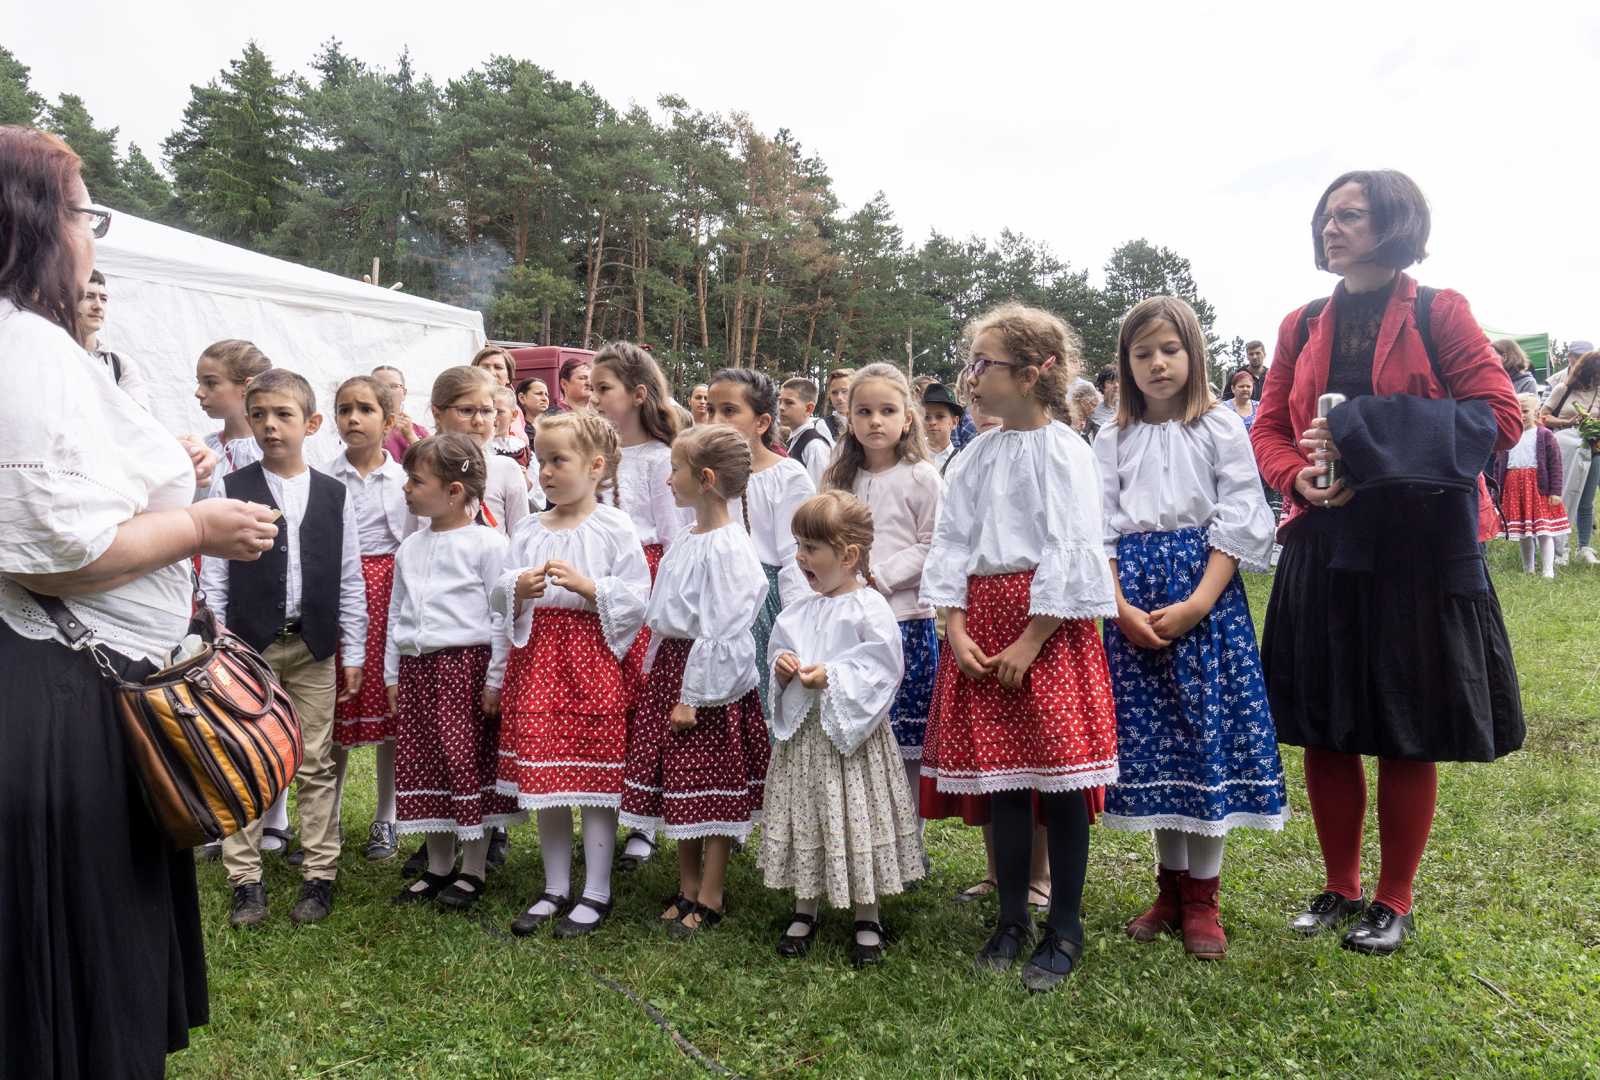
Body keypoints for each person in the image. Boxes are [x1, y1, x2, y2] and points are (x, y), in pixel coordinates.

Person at [0, 125, 275, 1077]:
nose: (92, 237)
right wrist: (201, 526)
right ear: (35, 221)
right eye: (84, 214)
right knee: (72, 975)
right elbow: (54, 550)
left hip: (69, 693)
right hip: (59, 705)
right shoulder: (25, 344)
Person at [1251, 169, 1524, 956]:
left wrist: (1366, 429)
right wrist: (1295, 476)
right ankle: (1339, 886)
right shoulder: (1300, 323)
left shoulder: (1441, 310)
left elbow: (1498, 415)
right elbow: (1269, 425)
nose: (1331, 228)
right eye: (1326, 216)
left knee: (1409, 724)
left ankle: (1393, 898)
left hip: (1416, 546)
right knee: (1328, 724)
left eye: (1352, 215)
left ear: (1394, 223)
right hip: (1324, 539)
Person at [919, 302, 1119, 992]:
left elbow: (1073, 546)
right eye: (969, 362)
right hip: (983, 622)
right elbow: (950, 542)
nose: (970, 377)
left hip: (1047, 627)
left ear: (1038, 371)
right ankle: (1010, 919)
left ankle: (1064, 923)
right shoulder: (975, 456)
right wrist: (955, 625)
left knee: (1058, 785)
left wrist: (1033, 638)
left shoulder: (1067, 450)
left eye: (985, 364)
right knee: (1004, 784)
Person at [1097, 296, 1285, 962]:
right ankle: (1169, 890)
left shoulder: (1220, 428)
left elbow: (1239, 513)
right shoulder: (1111, 436)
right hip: (1134, 602)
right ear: (1126, 363)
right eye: (1142, 352)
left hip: (1203, 598)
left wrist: (1200, 602)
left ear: (1193, 355)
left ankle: (1203, 897)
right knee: (1159, 751)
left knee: (1203, 740)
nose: (1156, 363)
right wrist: (1118, 607)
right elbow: (1099, 528)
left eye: (1168, 350)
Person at [200, 368, 369, 928]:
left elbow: (348, 577)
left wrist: (355, 652)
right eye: (260, 416)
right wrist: (220, 644)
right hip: (249, 648)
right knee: (245, 758)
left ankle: (319, 874)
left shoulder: (333, 493)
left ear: (311, 423)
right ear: (249, 420)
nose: (271, 426)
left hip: (314, 645)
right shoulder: (232, 487)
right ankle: (245, 880)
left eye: (284, 415)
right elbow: (218, 576)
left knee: (317, 762)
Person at [495, 412, 650, 936]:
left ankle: (598, 889)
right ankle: (554, 885)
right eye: (541, 461)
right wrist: (518, 588)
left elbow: (637, 595)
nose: (547, 472)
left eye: (559, 460)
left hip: (592, 661)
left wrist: (589, 588)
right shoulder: (527, 528)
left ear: (595, 466)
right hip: (539, 663)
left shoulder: (614, 525)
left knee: (594, 778)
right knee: (548, 777)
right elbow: (498, 593)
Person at [761, 491, 925, 966]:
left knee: (856, 817)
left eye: (811, 548)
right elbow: (779, 647)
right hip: (806, 742)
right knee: (810, 813)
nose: (800, 557)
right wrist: (783, 665)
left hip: (851, 743)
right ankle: (804, 905)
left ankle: (867, 913)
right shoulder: (798, 609)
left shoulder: (870, 608)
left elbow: (881, 667)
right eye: (799, 545)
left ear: (849, 556)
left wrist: (832, 676)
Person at [618, 424, 770, 937]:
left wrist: (693, 696)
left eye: (675, 470)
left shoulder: (729, 547)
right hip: (674, 670)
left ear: (704, 479)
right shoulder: (686, 537)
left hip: (707, 683)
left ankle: (712, 890)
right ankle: (685, 884)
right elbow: (667, 612)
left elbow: (722, 628)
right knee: (677, 780)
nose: (667, 480)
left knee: (710, 783)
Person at [385, 434, 524, 909]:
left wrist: (495, 679)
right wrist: (391, 674)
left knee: (466, 763)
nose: (406, 488)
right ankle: (438, 865)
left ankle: (474, 868)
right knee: (427, 764)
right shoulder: (410, 547)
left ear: (454, 492)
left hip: (464, 670)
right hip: (419, 670)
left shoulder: (488, 544)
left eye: (416, 480)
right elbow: (396, 614)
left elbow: (501, 616)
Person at [822, 362, 942, 865]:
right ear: (849, 419)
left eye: (887, 411)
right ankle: (859, 841)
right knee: (860, 732)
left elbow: (934, 543)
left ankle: (906, 844)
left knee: (905, 739)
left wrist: (880, 577)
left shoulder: (921, 476)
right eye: (864, 411)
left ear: (907, 419)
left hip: (905, 619)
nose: (875, 421)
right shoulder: (838, 476)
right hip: (850, 622)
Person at [589, 342, 694, 872]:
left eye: (603, 388)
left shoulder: (659, 459)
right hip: (599, 583)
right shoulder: (598, 457)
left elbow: (675, 536)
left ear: (638, 394)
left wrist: (663, 602)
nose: (594, 398)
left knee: (647, 701)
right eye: (590, 388)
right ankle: (609, 804)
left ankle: (644, 822)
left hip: (649, 582)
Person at [327, 375, 419, 863]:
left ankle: (387, 815)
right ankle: (330, 815)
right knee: (339, 708)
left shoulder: (406, 477)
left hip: (392, 595)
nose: (353, 418)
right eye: (345, 409)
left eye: (365, 409)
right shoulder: (324, 476)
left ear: (388, 420)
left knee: (391, 710)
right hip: (343, 596)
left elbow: (418, 539)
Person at [708, 368, 815, 714]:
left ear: (762, 422)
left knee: (756, 709)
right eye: (710, 410)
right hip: (710, 603)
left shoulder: (786, 476)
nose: (715, 420)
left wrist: (797, 631)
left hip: (760, 606)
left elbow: (796, 559)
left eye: (729, 410)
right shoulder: (702, 476)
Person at [429, 366, 531, 539]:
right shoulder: (424, 470)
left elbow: (521, 539)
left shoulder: (506, 469)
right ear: (437, 413)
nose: (478, 421)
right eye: (466, 411)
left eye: (486, 411)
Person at [1491, 393, 1567, 578]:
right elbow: (1498, 465)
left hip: (1538, 488)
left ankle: (1548, 570)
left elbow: (1554, 464)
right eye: (1517, 411)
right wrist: (1497, 493)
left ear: (1536, 412)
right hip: (1514, 486)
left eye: (1525, 411)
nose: (1521, 415)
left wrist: (1555, 491)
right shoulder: (1508, 436)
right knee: (1524, 533)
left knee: (1544, 530)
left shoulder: (1545, 435)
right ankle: (1529, 569)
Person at [1540, 349, 1600, 565]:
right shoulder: (1562, 389)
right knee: (1563, 496)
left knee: (1586, 500)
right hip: (1563, 450)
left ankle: (1584, 547)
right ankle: (1559, 549)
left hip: (1593, 450)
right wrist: (1568, 422)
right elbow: (1542, 417)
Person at [196, 338, 270, 482]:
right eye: (199, 382)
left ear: (247, 386)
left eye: (211, 383)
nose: (198, 392)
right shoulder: (204, 449)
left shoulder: (272, 450)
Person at [77, 268, 151, 408]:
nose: (98, 306)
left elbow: (138, 419)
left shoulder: (121, 364)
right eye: (89, 296)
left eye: (103, 299)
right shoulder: (54, 356)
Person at [778, 375, 836, 487]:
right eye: (780, 402)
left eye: (789, 402)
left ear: (809, 408)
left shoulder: (814, 446)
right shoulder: (794, 439)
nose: (781, 407)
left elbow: (819, 493)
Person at [373, 364, 429, 461]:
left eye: (393, 386)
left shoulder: (419, 432)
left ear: (404, 393)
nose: (386, 391)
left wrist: (411, 436)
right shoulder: (362, 427)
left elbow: (434, 466)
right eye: (378, 386)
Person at [921, 381, 963, 473]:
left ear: (954, 422)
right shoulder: (913, 456)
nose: (932, 422)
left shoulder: (961, 462)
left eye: (940, 416)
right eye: (927, 417)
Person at [490, 384, 531, 468]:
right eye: (488, 411)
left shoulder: (523, 450)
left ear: (514, 415)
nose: (493, 417)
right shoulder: (476, 449)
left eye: (499, 412)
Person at [823, 367, 854, 438]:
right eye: (834, 392)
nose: (839, 397)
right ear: (829, 395)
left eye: (844, 391)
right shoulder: (824, 426)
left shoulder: (867, 422)